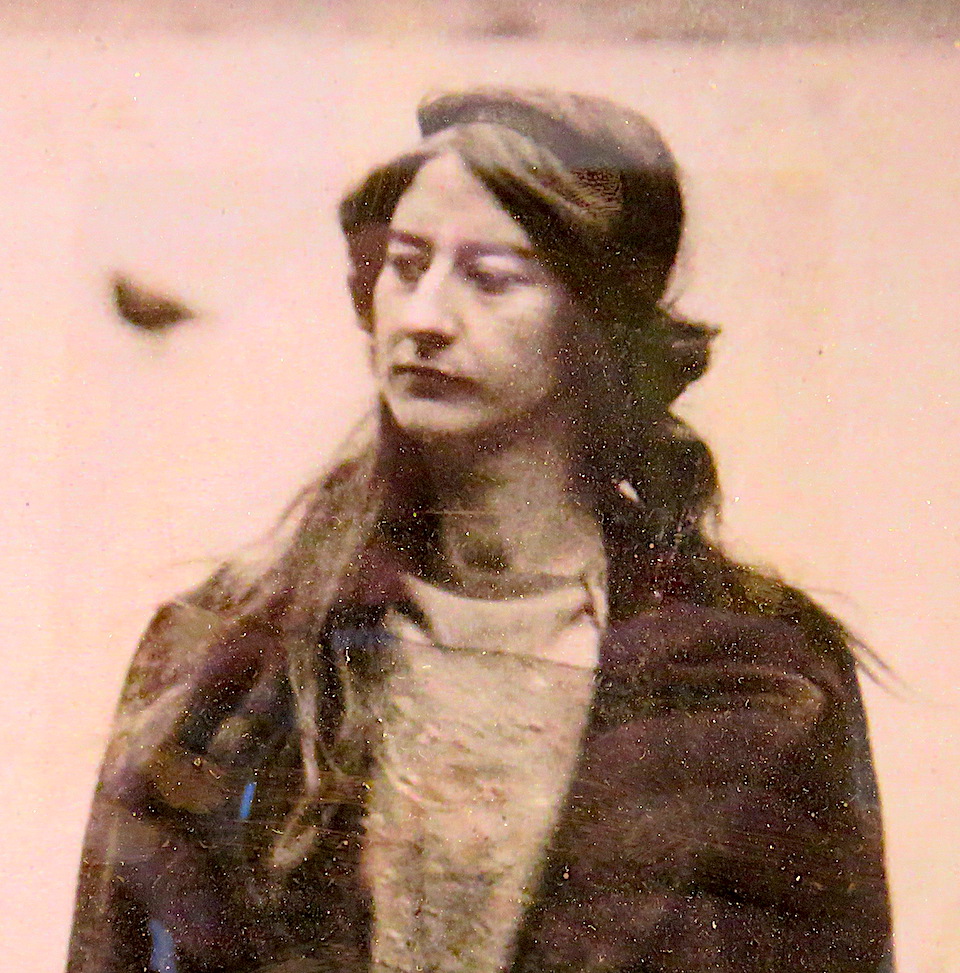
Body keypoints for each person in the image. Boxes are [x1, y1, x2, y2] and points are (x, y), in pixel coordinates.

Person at [67, 89, 893, 973]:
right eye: (406, 265)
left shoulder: (763, 676)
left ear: (598, 321)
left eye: (491, 278)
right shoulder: (223, 660)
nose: (424, 317)